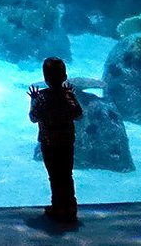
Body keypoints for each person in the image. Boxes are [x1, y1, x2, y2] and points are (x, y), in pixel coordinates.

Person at [29, 56, 84, 223]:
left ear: (45, 79)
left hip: (49, 143)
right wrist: (71, 96)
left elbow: (33, 118)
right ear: (65, 77)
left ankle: (58, 207)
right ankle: (71, 207)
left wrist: (32, 100)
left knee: (54, 175)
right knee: (67, 174)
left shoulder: (42, 98)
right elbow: (78, 114)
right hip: (67, 142)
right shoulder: (68, 96)